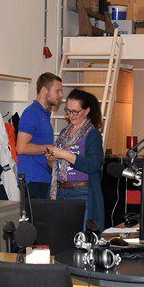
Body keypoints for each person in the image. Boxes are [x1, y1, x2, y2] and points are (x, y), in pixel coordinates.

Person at [45, 89, 104, 228]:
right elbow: (55, 167)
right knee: (61, 235)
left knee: (81, 236)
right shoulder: (64, 133)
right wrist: (51, 159)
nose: (70, 115)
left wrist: (64, 154)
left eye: (75, 112)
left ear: (86, 111)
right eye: (68, 110)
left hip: (81, 192)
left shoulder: (92, 134)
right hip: (59, 191)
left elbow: (93, 165)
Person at [17, 72, 63, 200]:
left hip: (43, 178)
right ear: (44, 90)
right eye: (57, 91)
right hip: (33, 179)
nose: (61, 95)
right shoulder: (31, 113)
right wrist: (49, 147)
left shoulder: (43, 114)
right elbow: (21, 148)